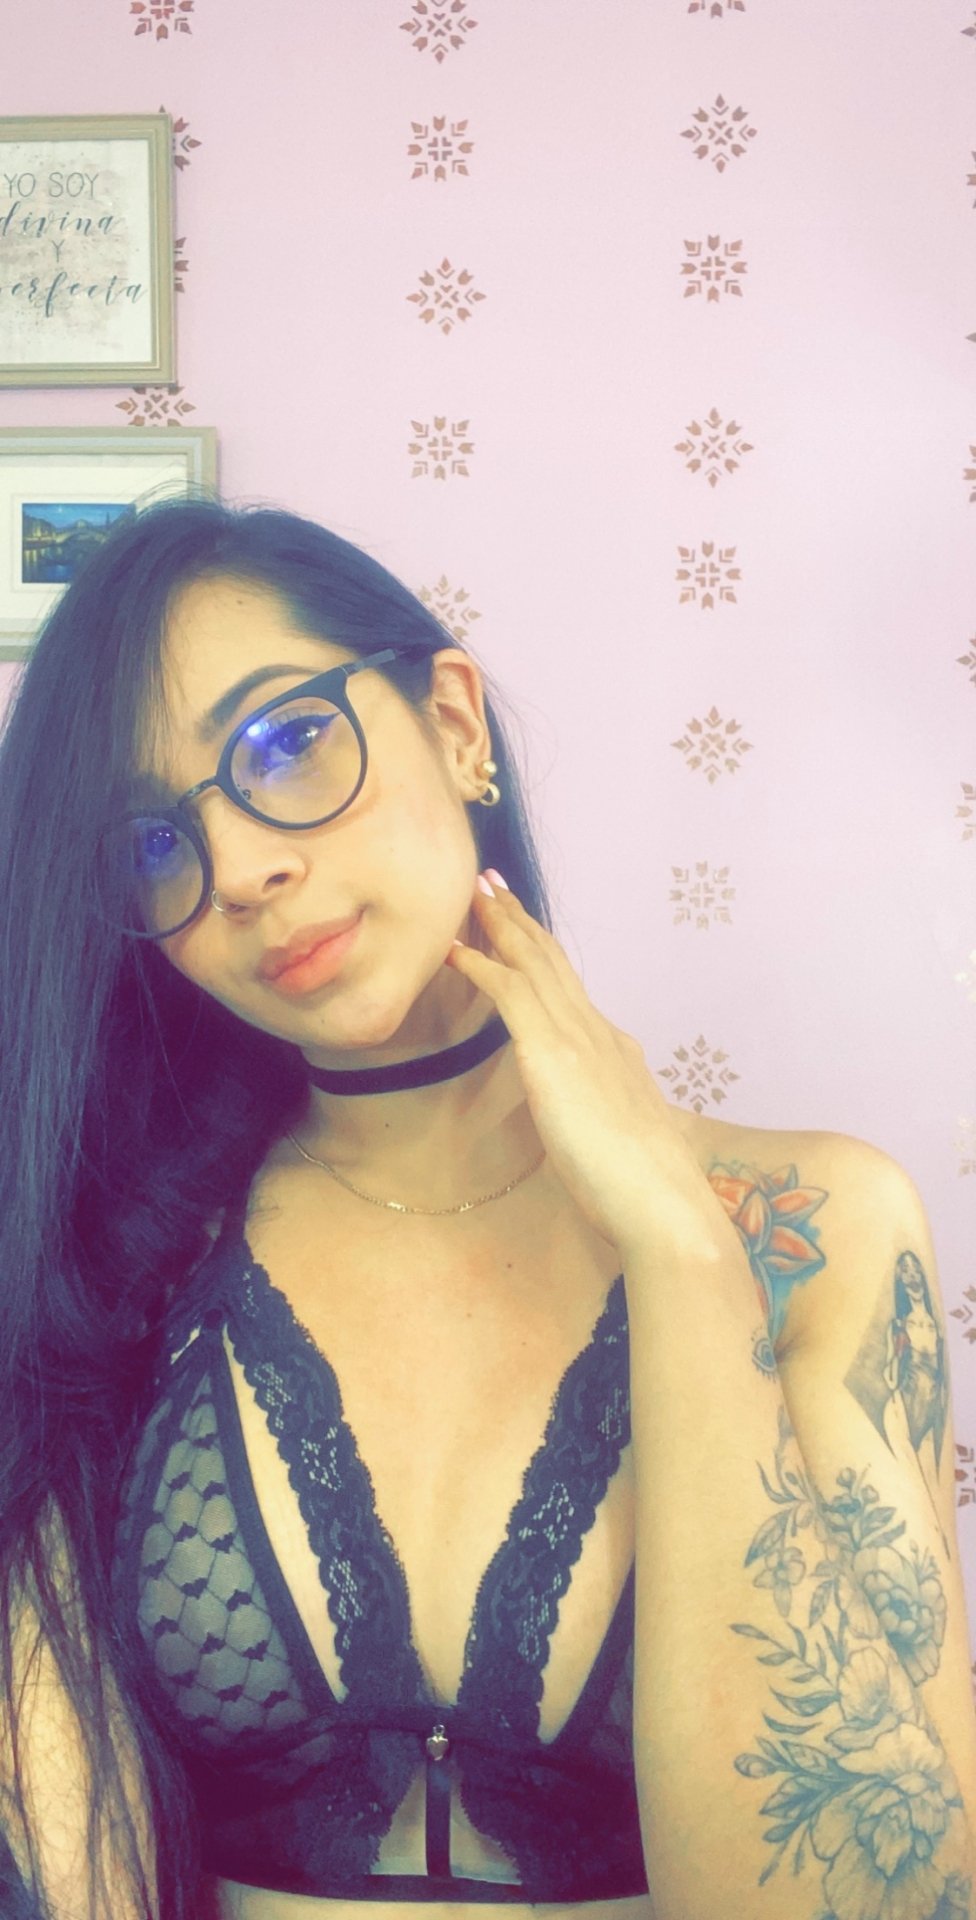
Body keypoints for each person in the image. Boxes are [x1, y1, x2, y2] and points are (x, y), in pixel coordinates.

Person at [0, 498, 973, 1920]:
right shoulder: (115, 1278)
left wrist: (681, 1252)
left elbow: (887, 1894)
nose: (245, 872)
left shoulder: (814, 1225)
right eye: (153, 842)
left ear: (455, 723)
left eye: (284, 743)